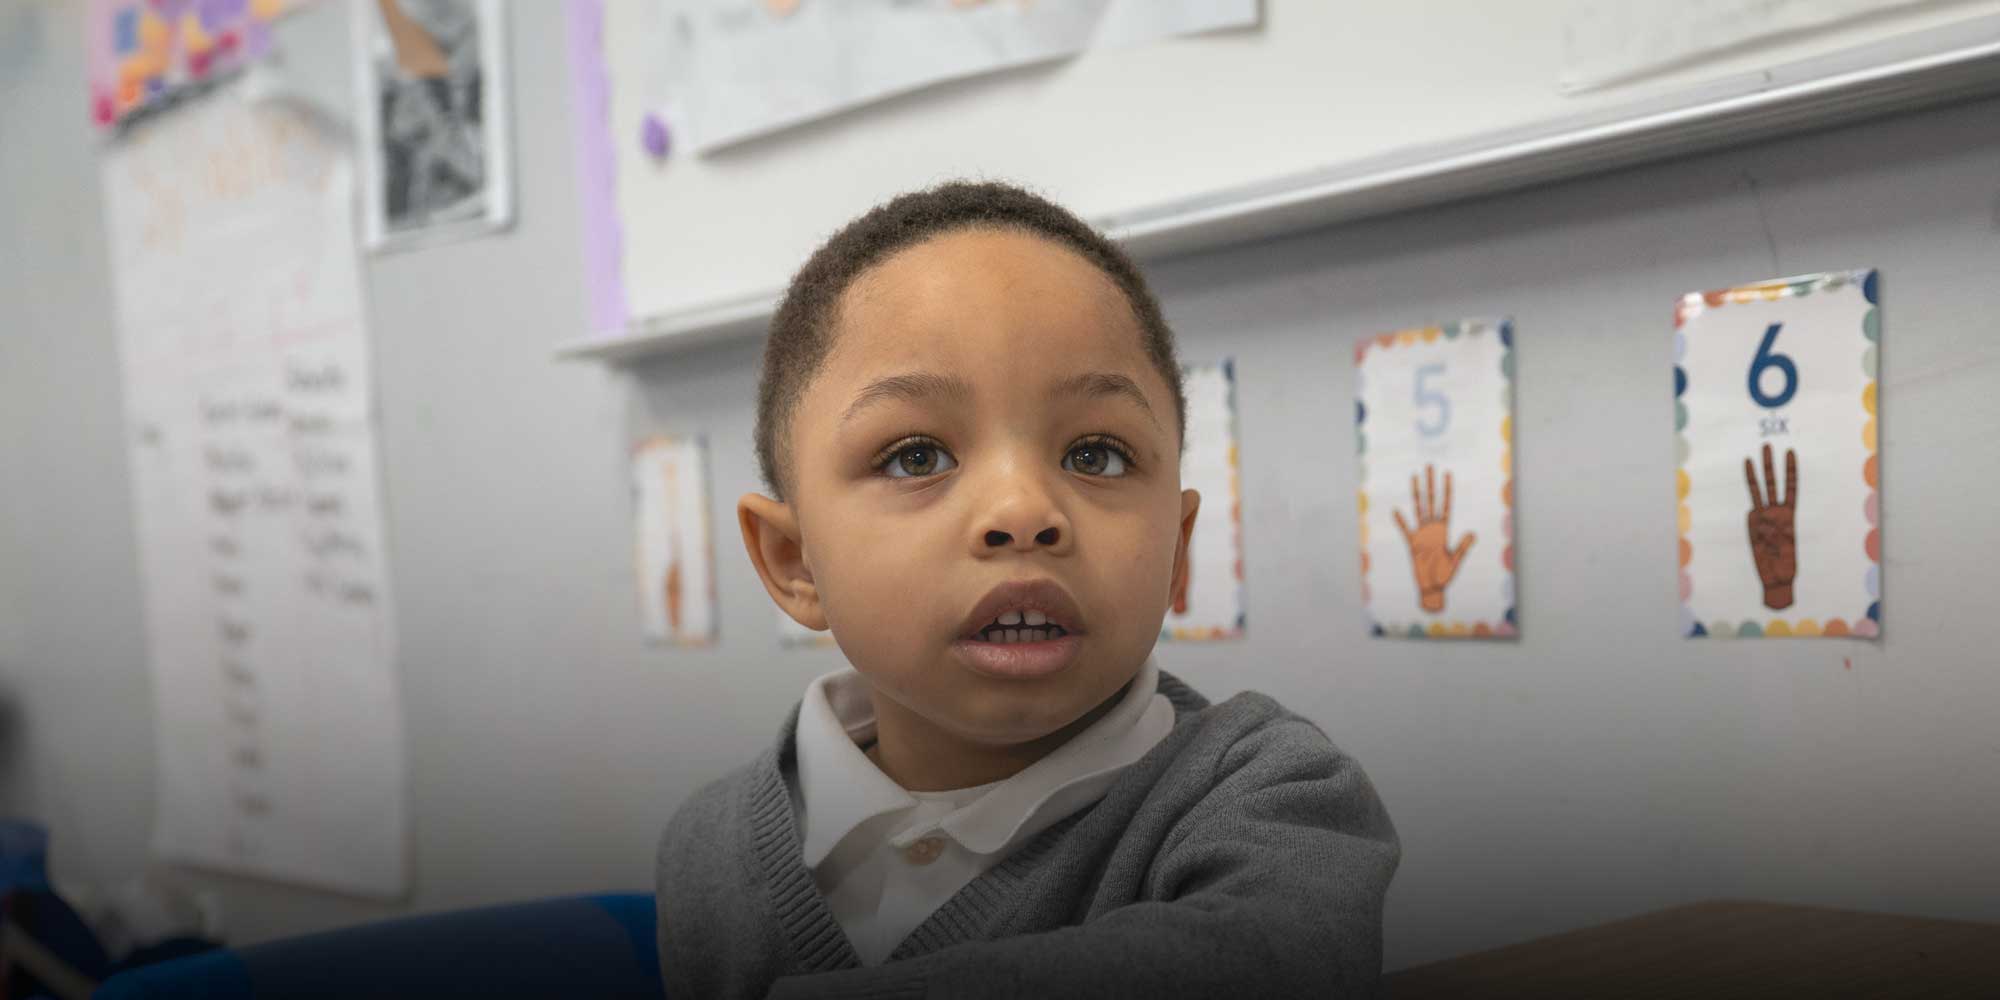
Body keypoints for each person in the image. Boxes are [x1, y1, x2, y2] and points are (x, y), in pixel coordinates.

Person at [655, 181, 1400, 999]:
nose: (1022, 514)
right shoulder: (706, 847)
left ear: (1177, 550)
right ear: (796, 561)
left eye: (1096, 456)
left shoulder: (1275, 793)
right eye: (916, 456)